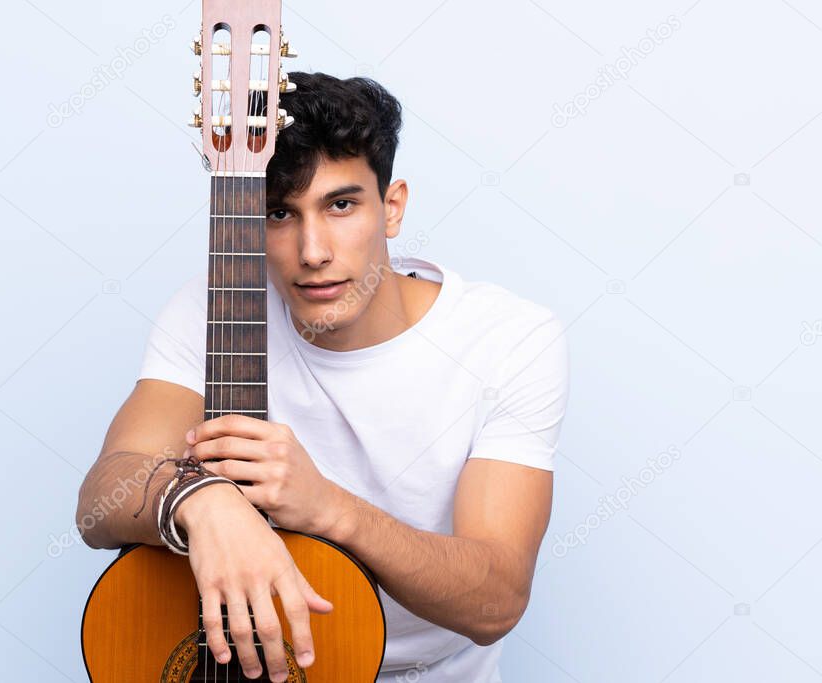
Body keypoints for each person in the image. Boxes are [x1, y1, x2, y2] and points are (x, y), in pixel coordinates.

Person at [76, 71, 570, 682]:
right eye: (279, 214)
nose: (312, 250)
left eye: (340, 205)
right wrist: (201, 501)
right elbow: (100, 504)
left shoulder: (506, 339)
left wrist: (328, 508)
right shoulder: (213, 308)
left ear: (392, 208)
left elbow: (496, 600)